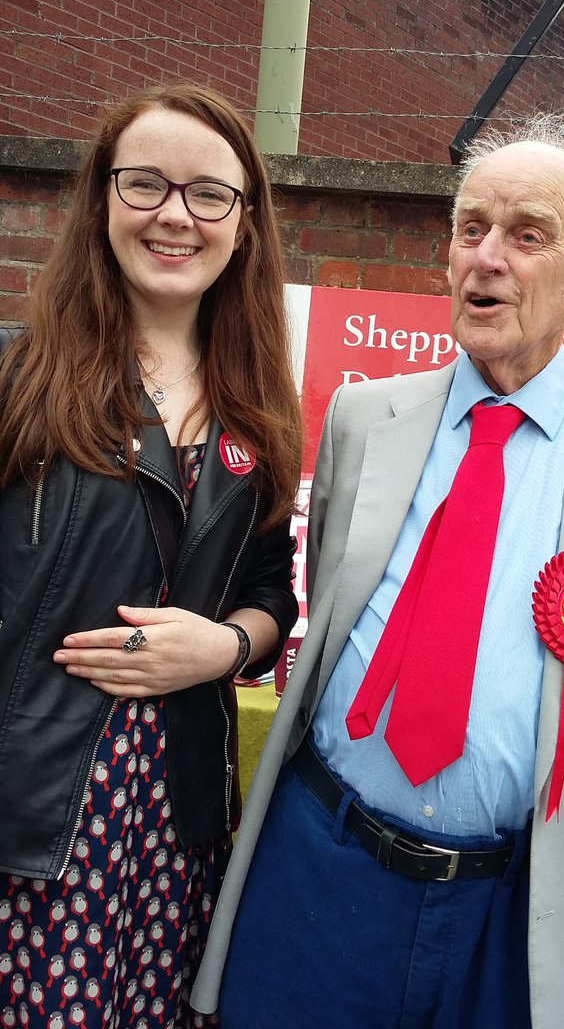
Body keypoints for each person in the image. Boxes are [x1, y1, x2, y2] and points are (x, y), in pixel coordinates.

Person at [191, 114, 564, 1029]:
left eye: (526, 235)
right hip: (321, 869)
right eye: (470, 228)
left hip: (514, 907)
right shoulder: (361, 420)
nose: (486, 258)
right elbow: (329, 614)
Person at [0, 82, 302, 1028]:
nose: (176, 215)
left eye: (208, 193)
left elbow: (271, 594)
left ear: (243, 225)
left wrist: (226, 647)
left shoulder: (259, 407)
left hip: (176, 830)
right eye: (145, 184)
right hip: (28, 823)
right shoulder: (15, 377)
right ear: (102, 199)